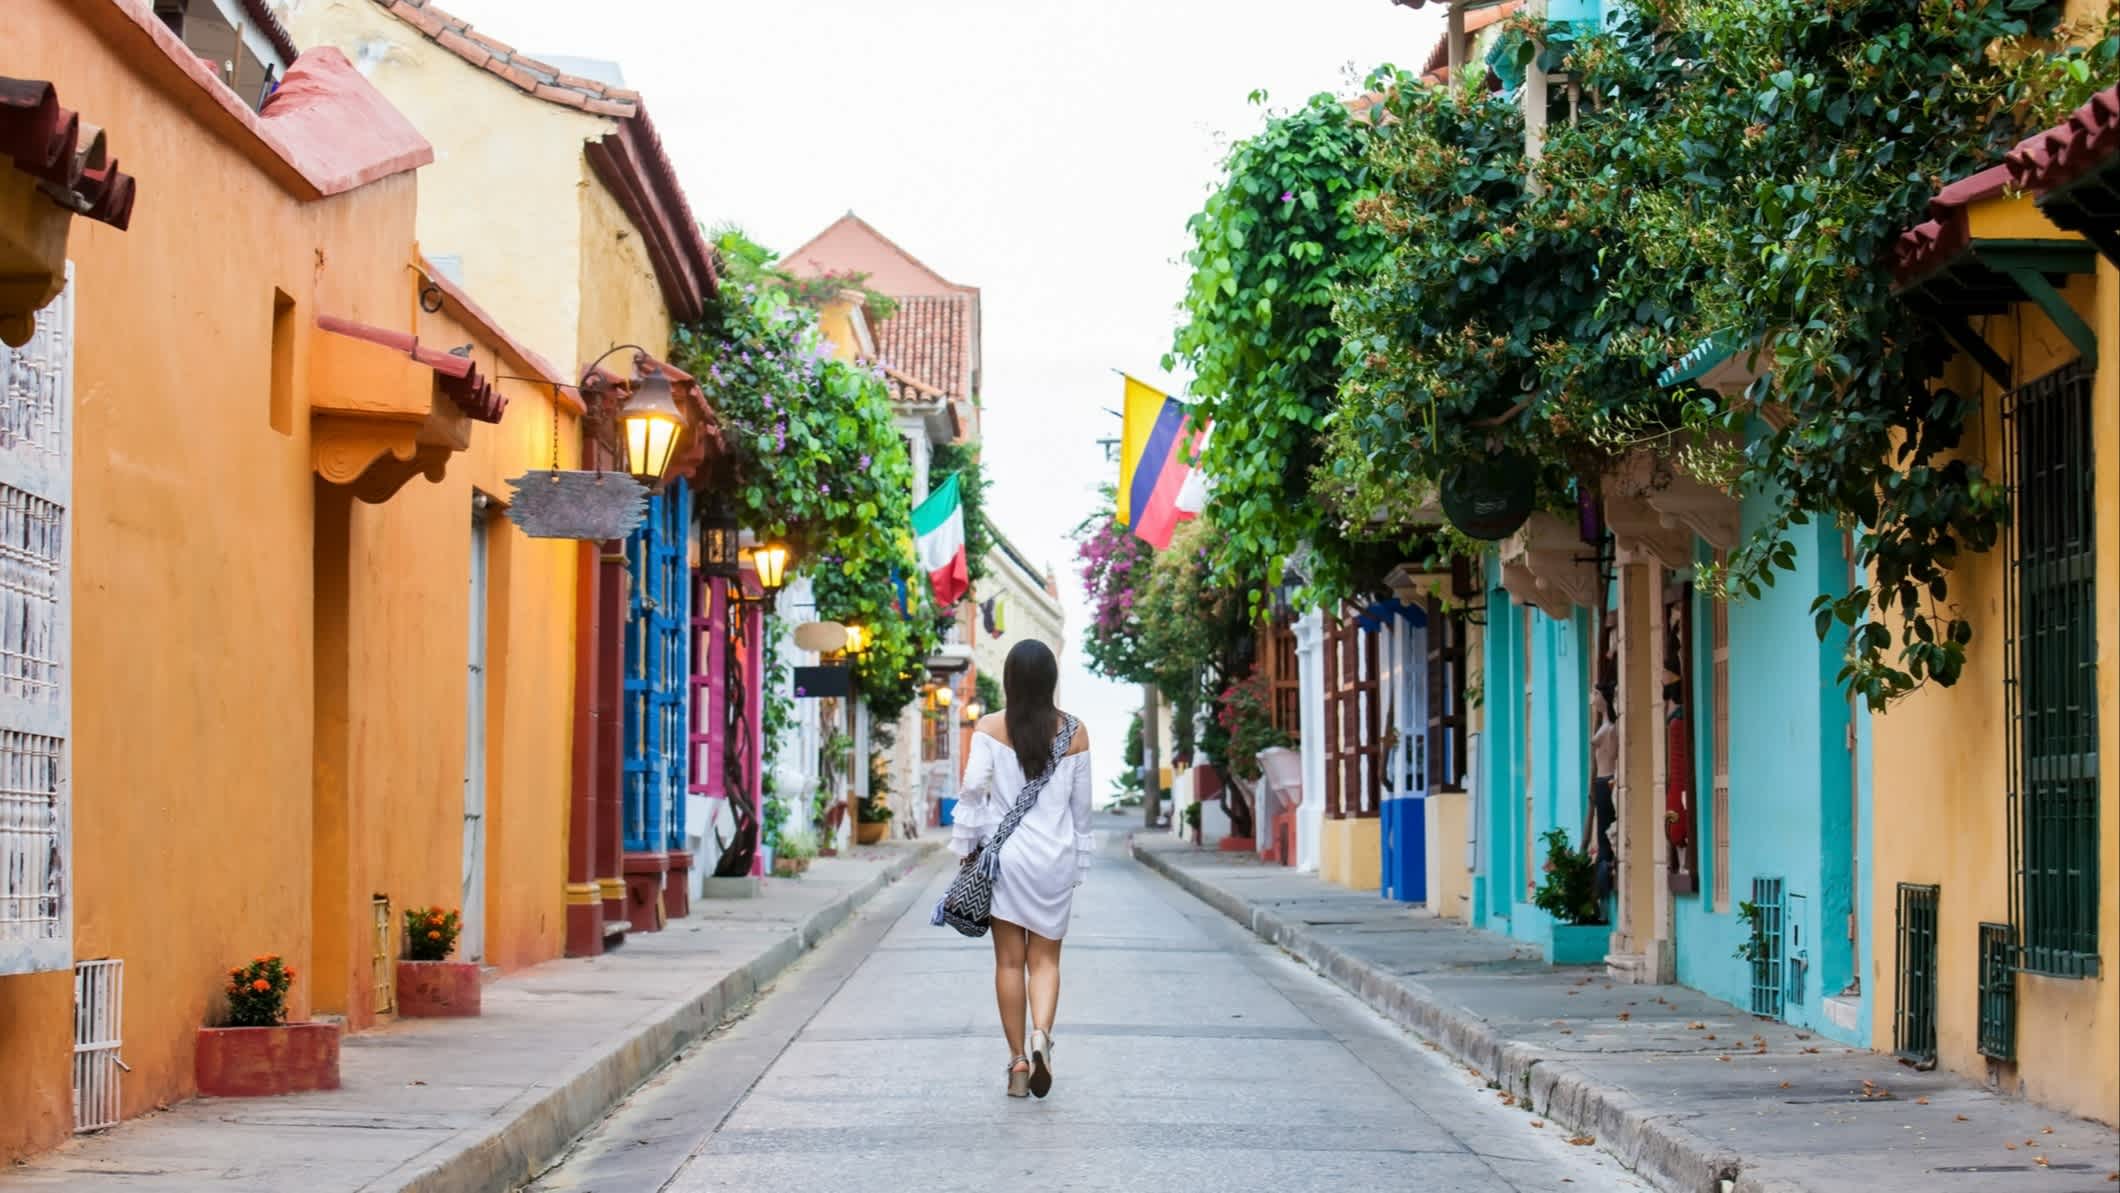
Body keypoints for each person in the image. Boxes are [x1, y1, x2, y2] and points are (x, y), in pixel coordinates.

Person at [950, 639, 1093, 1099]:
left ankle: (1016, 1063)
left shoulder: (989, 728)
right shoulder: (1075, 732)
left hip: (1006, 859)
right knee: (1046, 960)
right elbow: (1082, 811)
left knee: (1009, 962)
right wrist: (1079, 864)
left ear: (1010, 679)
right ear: (1051, 679)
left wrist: (965, 847)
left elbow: (972, 792)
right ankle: (1041, 1038)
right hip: (1054, 859)